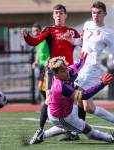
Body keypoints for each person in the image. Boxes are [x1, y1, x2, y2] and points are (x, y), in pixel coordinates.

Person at [29, 52, 114, 144]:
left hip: (63, 110)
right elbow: (84, 95)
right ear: (56, 74)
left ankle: (42, 135)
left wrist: (81, 61)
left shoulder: (66, 72)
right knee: (86, 129)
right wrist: (101, 84)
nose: (67, 72)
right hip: (60, 117)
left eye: (66, 68)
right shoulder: (61, 87)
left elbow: (76, 67)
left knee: (69, 127)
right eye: (63, 71)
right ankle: (111, 139)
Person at [21, 4, 85, 143]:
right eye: (56, 13)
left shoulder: (72, 31)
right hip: (53, 70)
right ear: (53, 15)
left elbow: (84, 44)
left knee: (78, 99)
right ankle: (40, 130)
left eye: (61, 13)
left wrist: (86, 38)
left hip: (70, 71)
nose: (58, 15)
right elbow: (35, 41)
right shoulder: (49, 30)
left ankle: (74, 132)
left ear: (65, 15)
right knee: (48, 98)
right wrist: (27, 36)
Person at [75, 1, 114, 139]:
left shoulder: (108, 33)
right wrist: (73, 41)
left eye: (99, 13)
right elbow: (83, 43)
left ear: (105, 14)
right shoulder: (87, 25)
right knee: (87, 107)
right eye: (93, 12)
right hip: (81, 67)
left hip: (90, 70)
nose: (95, 15)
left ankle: (74, 130)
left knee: (74, 97)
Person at [31, 23, 49, 101]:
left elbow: (53, 50)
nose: (35, 32)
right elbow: (38, 53)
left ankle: (47, 105)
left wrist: (48, 60)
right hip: (41, 66)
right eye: (34, 31)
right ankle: (47, 104)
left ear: (40, 31)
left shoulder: (45, 40)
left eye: (37, 30)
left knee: (42, 87)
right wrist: (36, 61)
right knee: (41, 88)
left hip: (48, 66)